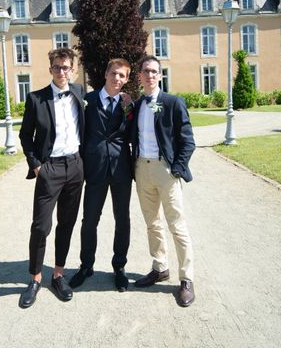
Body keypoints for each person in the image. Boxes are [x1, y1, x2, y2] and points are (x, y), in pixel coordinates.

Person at [18, 47, 85, 309]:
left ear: (73, 70)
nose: (61, 72)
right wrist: (36, 166)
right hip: (50, 169)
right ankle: (35, 278)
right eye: (57, 67)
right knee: (41, 226)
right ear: (50, 70)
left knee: (67, 223)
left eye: (66, 67)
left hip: (76, 167)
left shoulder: (80, 93)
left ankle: (58, 274)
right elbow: (25, 136)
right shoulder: (36, 99)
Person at [132, 55, 196, 307]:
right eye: (145, 71)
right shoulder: (137, 105)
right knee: (152, 224)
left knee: (176, 225)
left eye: (154, 71)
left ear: (160, 75)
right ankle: (160, 267)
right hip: (142, 169)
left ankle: (186, 278)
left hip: (165, 170)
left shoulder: (173, 102)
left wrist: (176, 170)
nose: (149, 75)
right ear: (139, 76)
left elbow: (187, 140)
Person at [69, 59, 134, 292]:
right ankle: (86, 266)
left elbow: (133, 133)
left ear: (126, 80)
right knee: (89, 221)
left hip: (121, 170)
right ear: (106, 73)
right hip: (94, 168)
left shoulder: (129, 104)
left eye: (122, 76)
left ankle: (119, 267)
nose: (117, 79)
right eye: (114, 73)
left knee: (122, 220)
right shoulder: (87, 100)